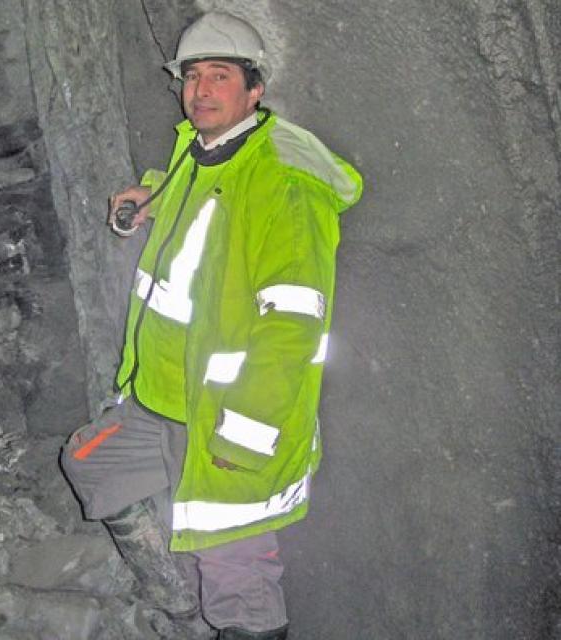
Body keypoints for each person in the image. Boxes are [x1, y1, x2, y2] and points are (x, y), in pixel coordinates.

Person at [61, 11, 363, 639]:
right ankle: (177, 606)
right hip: (161, 402)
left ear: (255, 89)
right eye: (191, 76)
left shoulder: (283, 178)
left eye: (218, 76)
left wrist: (242, 440)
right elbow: (206, 214)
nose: (199, 90)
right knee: (91, 464)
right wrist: (152, 197)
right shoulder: (198, 153)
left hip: (229, 423)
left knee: (239, 584)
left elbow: (293, 329)